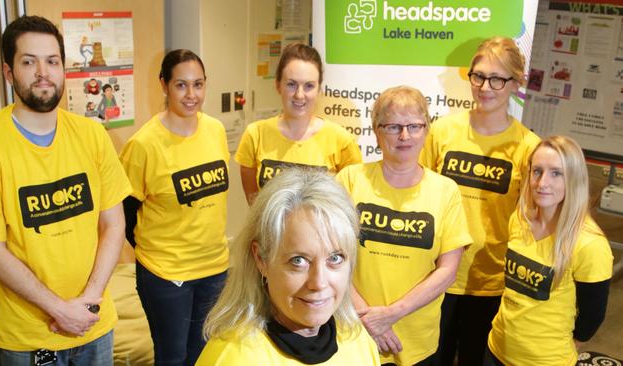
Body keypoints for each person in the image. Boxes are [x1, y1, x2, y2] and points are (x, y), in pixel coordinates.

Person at [0, 15, 131, 365]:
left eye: (52, 61)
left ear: (63, 69)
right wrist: (60, 309)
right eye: (29, 62)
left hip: (94, 323)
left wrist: (88, 302)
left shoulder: (92, 135)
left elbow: (114, 224)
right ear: (8, 72)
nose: (43, 71)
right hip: (26, 337)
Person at [419, 36, 541, 366]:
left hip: (491, 280)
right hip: (437, 274)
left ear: (517, 83)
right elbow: (420, 196)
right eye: (478, 76)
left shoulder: (528, 147)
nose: (485, 87)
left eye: (497, 79)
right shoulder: (442, 131)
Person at [336, 86, 472, 365]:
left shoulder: (446, 191)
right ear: (376, 130)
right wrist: (366, 317)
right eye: (394, 126)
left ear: (426, 130)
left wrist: (391, 314)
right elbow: (329, 256)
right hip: (354, 331)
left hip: (416, 341)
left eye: (414, 126)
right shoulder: (351, 180)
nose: (404, 135)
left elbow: (448, 272)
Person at [197, 168, 381, 365]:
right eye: (299, 261)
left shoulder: (355, 338)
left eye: (335, 258)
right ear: (261, 259)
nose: (318, 283)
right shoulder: (234, 357)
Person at [119, 49, 229, 366]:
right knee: (173, 357)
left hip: (215, 268)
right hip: (167, 275)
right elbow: (124, 215)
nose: (191, 94)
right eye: (181, 85)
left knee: (203, 354)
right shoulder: (144, 145)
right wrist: (159, 251)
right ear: (164, 85)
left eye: (198, 84)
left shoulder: (215, 130)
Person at [486, 136, 613, 366]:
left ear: (574, 179)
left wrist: (561, 344)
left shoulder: (590, 244)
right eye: (537, 171)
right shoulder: (520, 219)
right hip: (496, 349)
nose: (542, 183)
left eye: (556, 173)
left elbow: (592, 315)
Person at [235, 43, 362, 205]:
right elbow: (255, 204)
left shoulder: (341, 140)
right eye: (291, 84)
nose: (299, 95)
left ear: (319, 90)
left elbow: (349, 203)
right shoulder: (255, 134)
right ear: (278, 85)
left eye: (309, 86)